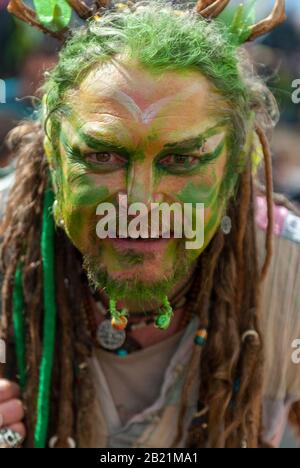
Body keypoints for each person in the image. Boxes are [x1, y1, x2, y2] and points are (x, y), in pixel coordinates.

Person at [0, 0, 299, 449]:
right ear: (55, 158)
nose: (139, 205)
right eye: (102, 156)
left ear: (234, 168)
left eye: (182, 160)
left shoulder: (290, 277)